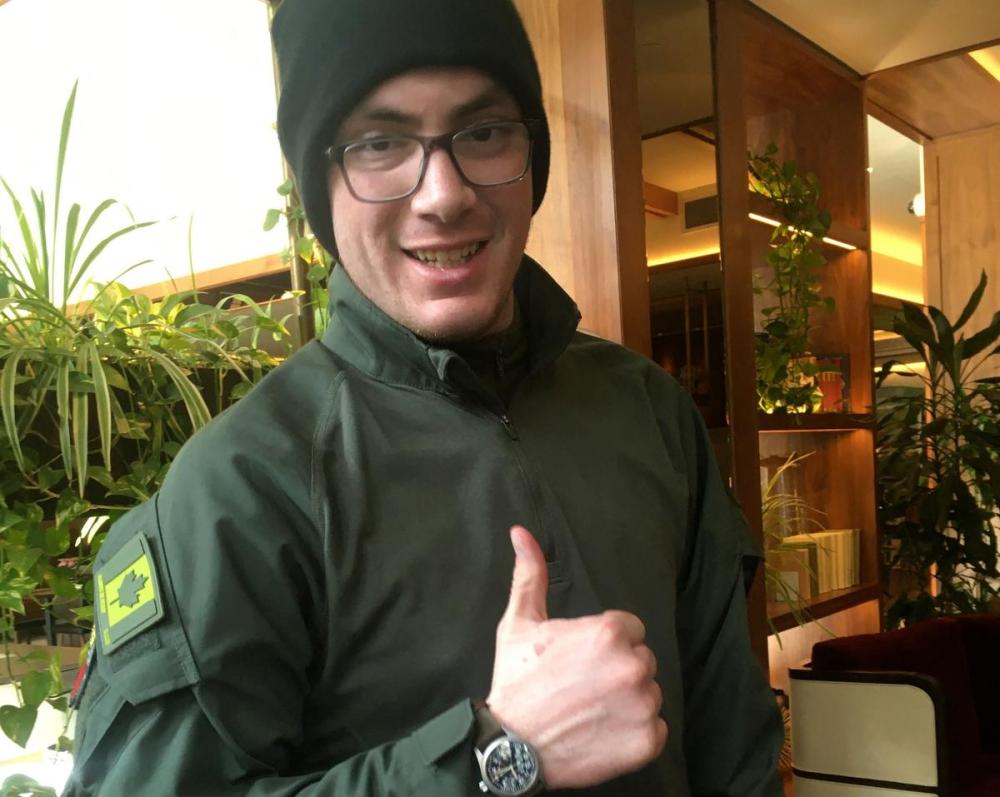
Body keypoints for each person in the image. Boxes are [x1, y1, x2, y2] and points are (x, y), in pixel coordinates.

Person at [65, 0, 782, 794]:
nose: (444, 194)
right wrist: (499, 751)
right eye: (379, 143)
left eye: (482, 132)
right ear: (320, 184)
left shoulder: (649, 409)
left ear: (530, 154)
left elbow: (735, 745)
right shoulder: (240, 489)